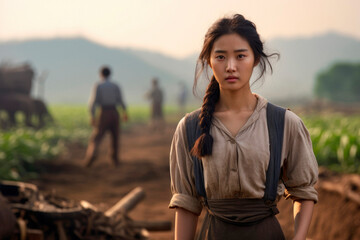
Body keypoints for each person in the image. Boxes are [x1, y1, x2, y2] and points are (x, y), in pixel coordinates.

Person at [169, 14, 318, 240]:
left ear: (255, 59)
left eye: (240, 56)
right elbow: (186, 204)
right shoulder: (190, 128)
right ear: (209, 60)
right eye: (220, 57)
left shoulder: (285, 123)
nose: (230, 67)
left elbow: (304, 192)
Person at [84, 66, 128, 167]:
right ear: (110, 74)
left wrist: (92, 116)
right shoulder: (115, 86)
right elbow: (121, 101)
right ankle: (114, 159)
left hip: (104, 113)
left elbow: (93, 103)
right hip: (114, 112)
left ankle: (92, 156)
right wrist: (125, 113)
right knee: (115, 136)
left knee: (96, 137)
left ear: (101, 74)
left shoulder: (99, 85)